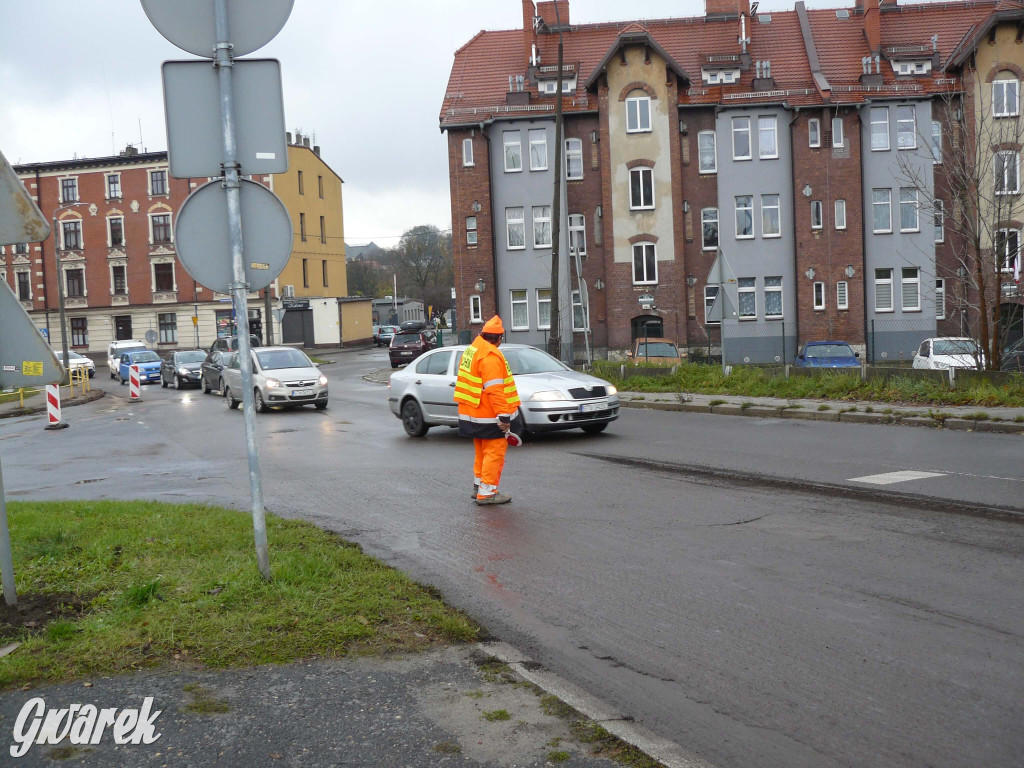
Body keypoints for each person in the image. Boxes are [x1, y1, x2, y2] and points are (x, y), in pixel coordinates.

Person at [453, 315, 521, 505]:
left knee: (481, 452)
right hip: (488, 414)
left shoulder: (472, 350)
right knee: (495, 452)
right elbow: (495, 390)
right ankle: (487, 492)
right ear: (499, 338)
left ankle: (478, 486)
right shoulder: (490, 356)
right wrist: (504, 416)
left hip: (472, 412)